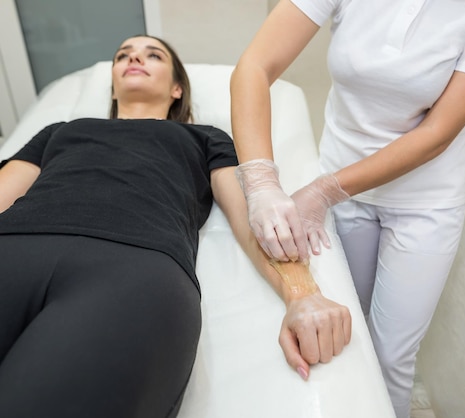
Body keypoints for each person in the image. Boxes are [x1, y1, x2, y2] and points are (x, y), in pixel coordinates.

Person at [0, 35, 351, 418]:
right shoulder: (61, 130)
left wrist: (302, 294)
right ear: (114, 84)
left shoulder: (205, 138)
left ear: (176, 87)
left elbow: (255, 216)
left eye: (153, 55)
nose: (134, 58)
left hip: (131, 270)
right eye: (123, 55)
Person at [230, 1, 465, 416]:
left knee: (392, 358)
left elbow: (437, 133)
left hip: (425, 201)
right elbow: (255, 66)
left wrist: (325, 189)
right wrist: (261, 181)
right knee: (344, 341)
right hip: (345, 192)